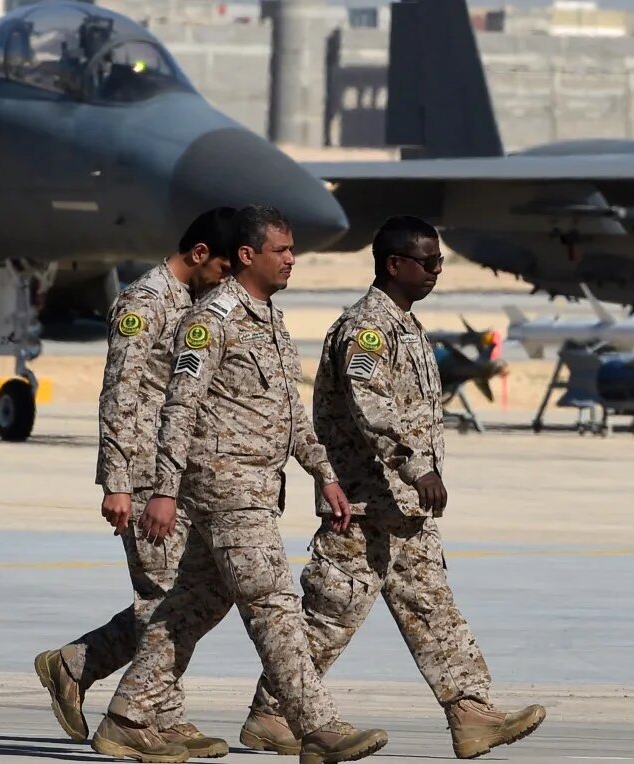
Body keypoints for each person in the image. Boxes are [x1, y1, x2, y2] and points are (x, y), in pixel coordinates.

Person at [237, 216, 545, 760]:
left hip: (402, 509)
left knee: (432, 610)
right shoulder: (367, 329)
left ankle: (471, 713)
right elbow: (370, 404)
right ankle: (273, 713)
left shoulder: (406, 325)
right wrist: (414, 466)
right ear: (393, 265)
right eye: (427, 262)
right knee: (330, 615)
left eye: (440, 262)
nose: (436, 272)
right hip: (365, 502)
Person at [91, 206, 388, 764]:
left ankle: (128, 717)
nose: (292, 260)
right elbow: (178, 405)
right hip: (225, 489)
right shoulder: (212, 321)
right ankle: (317, 727)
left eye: (293, 250)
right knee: (273, 603)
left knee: (193, 603)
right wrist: (162, 489)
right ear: (248, 256)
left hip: (256, 487)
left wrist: (323, 473)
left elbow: (288, 410)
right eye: (283, 250)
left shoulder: (269, 319)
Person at [34, 207, 238, 757]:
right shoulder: (144, 303)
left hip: (180, 473)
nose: (225, 281)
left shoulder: (197, 305)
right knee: (164, 598)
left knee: (198, 593)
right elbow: (119, 394)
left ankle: (79, 665)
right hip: (145, 474)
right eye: (222, 268)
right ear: (199, 255)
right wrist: (117, 481)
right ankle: (151, 716)